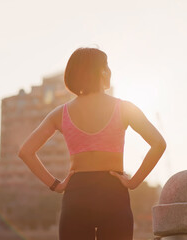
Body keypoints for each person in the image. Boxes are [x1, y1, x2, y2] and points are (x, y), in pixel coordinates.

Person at [18, 47, 166, 240]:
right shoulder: (125, 108)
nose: (110, 71)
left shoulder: (60, 113)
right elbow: (158, 143)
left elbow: (26, 151)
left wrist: (56, 185)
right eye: (107, 66)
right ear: (102, 72)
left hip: (76, 194)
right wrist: (133, 181)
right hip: (113, 193)